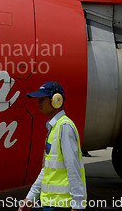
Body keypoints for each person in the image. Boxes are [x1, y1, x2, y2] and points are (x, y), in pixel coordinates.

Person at [18, 82, 87, 211]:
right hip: (51, 204)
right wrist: (30, 198)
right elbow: (47, 169)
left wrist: (77, 204)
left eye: (42, 99)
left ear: (56, 100)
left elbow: (73, 167)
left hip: (62, 206)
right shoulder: (54, 128)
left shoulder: (64, 127)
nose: (38, 103)